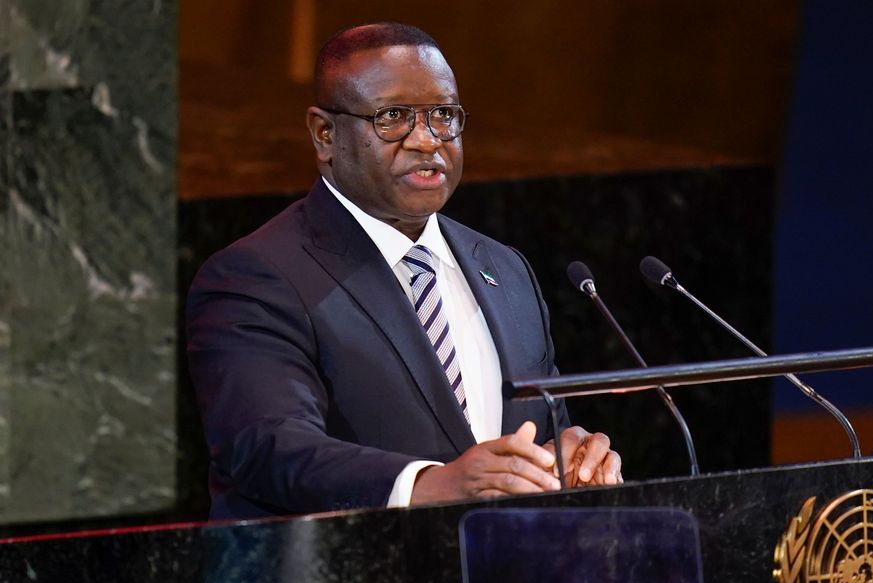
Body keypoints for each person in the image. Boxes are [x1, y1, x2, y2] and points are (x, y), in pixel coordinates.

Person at [186, 22, 622, 519]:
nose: (427, 140)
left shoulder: (504, 268)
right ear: (324, 134)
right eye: (393, 117)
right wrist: (429, 484)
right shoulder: (255, 277)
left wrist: (569, 459)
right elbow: (269, 448)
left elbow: (537, 431)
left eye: (443, 115)